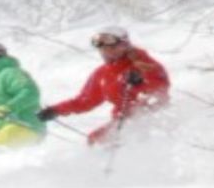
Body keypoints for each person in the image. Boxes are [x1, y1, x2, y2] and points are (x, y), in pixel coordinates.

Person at [41, 28, 171, 146]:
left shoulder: (143, 63)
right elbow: (86, 100)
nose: (107, 52)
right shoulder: (102, 73)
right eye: (103, 49)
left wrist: (140, 82)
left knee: (113, 140)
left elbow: (160, 88)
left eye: (113, 48)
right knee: (95, 139)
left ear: (125, 45)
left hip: (151, 118)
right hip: (122, 120)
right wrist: (55, 110)